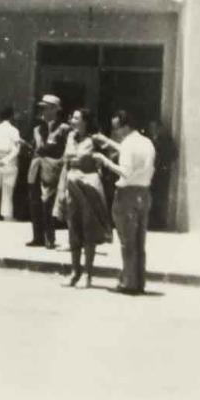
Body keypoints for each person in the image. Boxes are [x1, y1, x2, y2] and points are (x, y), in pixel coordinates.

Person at [95, 110, 156, 295]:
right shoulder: (146, 142)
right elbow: (129, 153)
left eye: (117, 128)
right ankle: (139, 281)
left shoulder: (129, 145)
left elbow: (126, 171)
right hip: (143, 194)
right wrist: (108, 141)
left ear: (125, 126)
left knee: (127, 241)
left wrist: (104, 161)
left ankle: (128, 282)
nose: (116, 132)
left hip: (127, 194)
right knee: (139, 241)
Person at [54, 108, 112, 287]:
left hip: (89, 187)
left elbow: (116, 150)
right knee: (73, 229)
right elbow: (66, 163)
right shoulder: (70, 137)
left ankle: (87, 273)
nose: (72, 120)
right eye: (72, 117)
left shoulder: (95, 138)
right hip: (71, 186)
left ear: (85, 121)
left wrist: (101, 162)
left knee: (89, 229)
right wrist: (61, 189)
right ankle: (74, 272)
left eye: (76, 118)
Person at [26, 94, 71, 249]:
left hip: (53, 170)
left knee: (48, 204)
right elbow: (35, 149)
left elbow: (66, 150)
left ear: (54, 109)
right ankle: (37, 237)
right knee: (35, 203)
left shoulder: (64, 128)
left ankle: (49, 238)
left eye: (45, 108)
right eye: (41, 108)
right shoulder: (37, 129)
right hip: (36, 169)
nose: (42, 111)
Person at [147, 119, 177, 230]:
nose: (152, 130)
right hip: (151, 174)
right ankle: (151, 222)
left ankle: (159, 223)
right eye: (151, 128)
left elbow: (174, 154)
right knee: (150, 198)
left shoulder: (166, 140)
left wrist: (165, 165)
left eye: (154, 127)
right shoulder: (149, 140)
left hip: (161, 174)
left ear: (160, 128)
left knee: (159, 199)